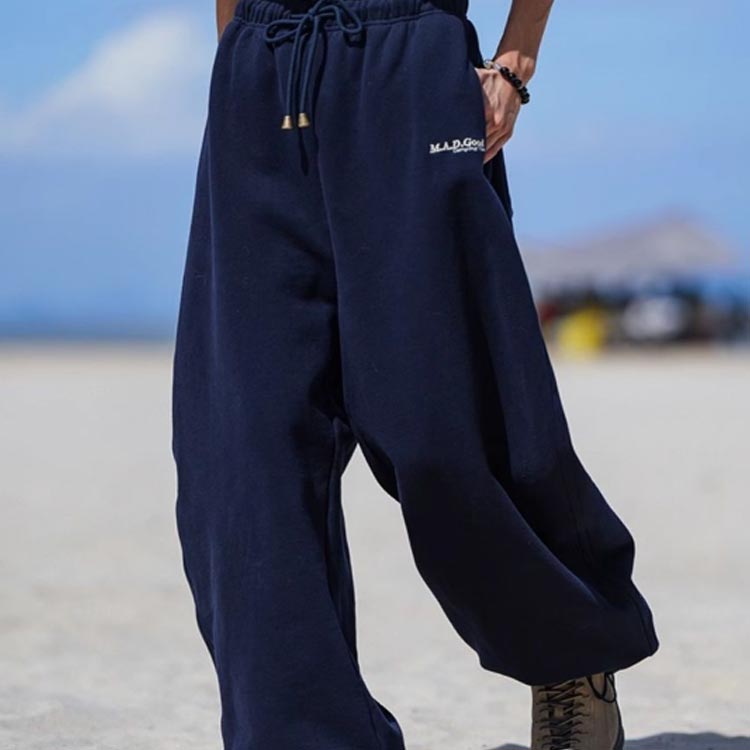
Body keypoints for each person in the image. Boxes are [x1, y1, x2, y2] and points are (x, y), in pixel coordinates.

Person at [170, 0, 659, 747]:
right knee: (247, 451)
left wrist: (515, 62)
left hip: (407, 67)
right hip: (260, 74)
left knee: (442, 431)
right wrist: (240, 64)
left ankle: (572, 655)